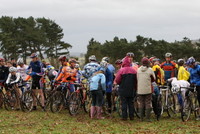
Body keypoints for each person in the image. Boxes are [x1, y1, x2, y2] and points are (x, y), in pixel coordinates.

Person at [115, 56, 137, 121]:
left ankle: (124, 116)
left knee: (124, 103)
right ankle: (131, 116)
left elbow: (117, 80)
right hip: (131, 89)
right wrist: (135, 87)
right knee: (131, 103)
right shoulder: (133, 70)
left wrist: (119, 84)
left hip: (123, 89)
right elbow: (136, 80)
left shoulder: (121, 70)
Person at [137, 57, 155, 122]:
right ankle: (148, 118)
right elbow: (153, 79)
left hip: (140, 89)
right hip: (147, 89)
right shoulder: (150, 70)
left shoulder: (138, 70)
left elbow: (137, 78)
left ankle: (141, 118)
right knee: (148, 103)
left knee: (141, 103)